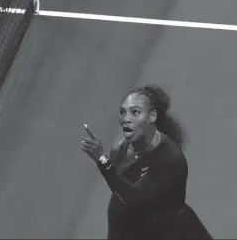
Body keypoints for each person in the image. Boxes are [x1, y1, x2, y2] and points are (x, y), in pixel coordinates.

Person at [81, 85, 212, 240]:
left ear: (152, 116)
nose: (126, 119)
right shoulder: (121, 148)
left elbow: (133, 198)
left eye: (135, 112)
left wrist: (102, 160)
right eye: (123, 112)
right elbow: (118, 193)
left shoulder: (170, 158)